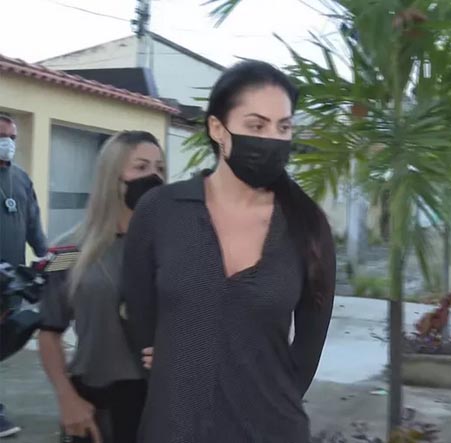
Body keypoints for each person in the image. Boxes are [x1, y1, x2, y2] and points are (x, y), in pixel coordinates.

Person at [122, 60, 336, 443]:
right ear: (217, 129)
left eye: (283, 127)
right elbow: (141, 317)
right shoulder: (160, 211)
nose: (272, 139)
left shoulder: (307, 225)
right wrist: (178, 357)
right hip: (174, 428)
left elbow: (307, 351)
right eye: (257, 126)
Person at [38, 131, 165, 443]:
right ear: (112, 175)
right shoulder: (67, 250)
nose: (154, 177)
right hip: (94, 401)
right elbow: (49, 331)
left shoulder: (173, 247)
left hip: (159, 400)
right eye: (141, 167)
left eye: (160, 168)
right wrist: (67, 399)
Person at [0, 114, 48, 439]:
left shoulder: (20, 179)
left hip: (10, 282)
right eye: (2, 136)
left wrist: (45, 255)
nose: (7, 143)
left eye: (12, 137)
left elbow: (32, 222)